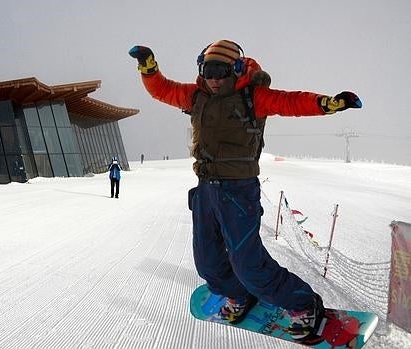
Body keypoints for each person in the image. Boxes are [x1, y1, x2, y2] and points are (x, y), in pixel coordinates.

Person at [129, 40, 361, 343]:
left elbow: (291, 102)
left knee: (248, 265)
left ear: (235, 69)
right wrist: (149, 67)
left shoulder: (253, 97)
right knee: (208, 263)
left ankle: (303, 305)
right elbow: (162, 89)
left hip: (238, 192)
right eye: (207, 70)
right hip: (206, 190)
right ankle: (238, 296)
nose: (213, 79)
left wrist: (326, 104)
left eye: (220, 71)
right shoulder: (196, 95)